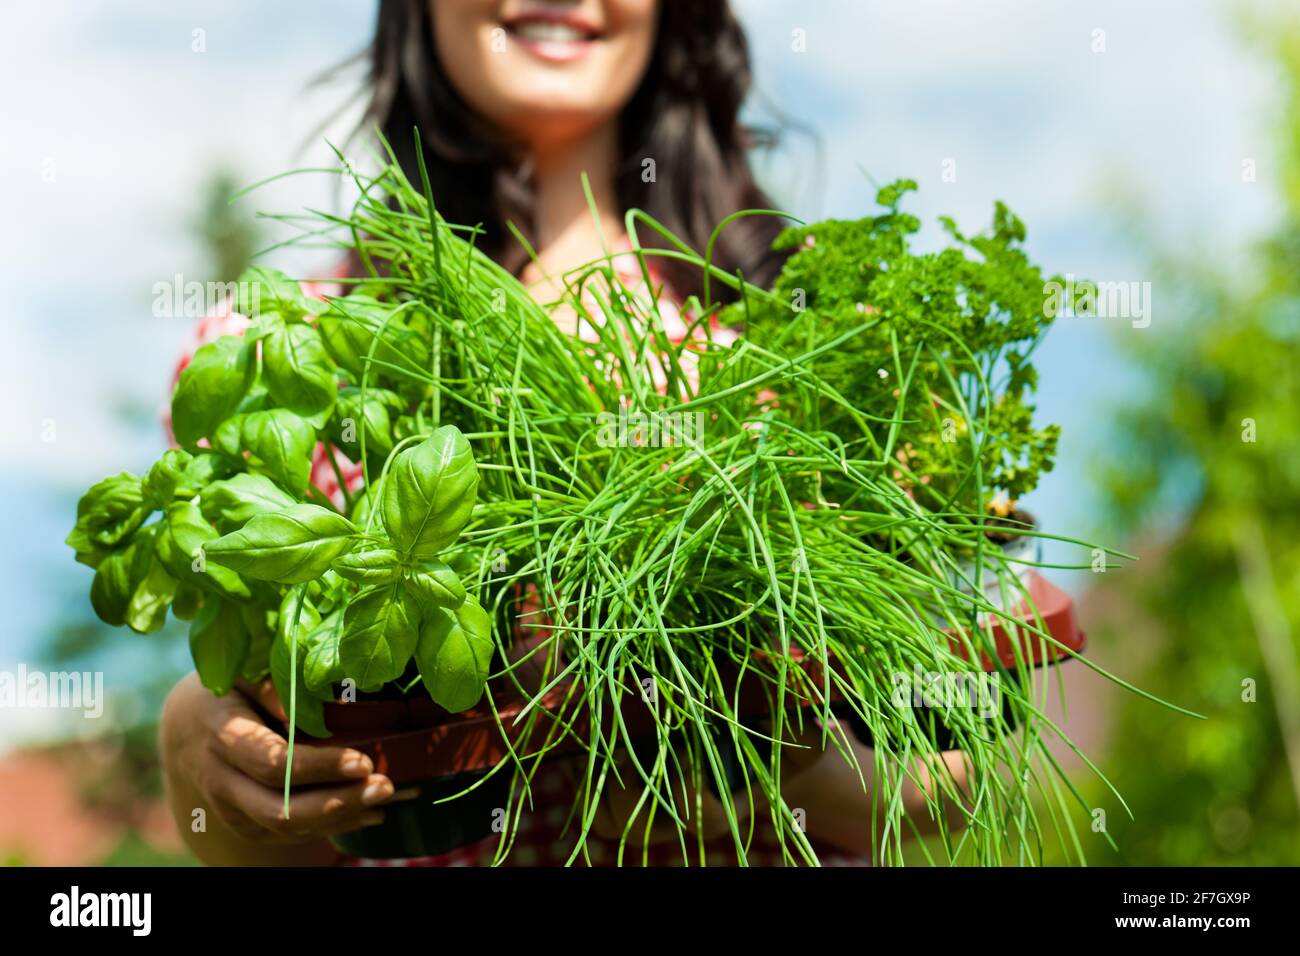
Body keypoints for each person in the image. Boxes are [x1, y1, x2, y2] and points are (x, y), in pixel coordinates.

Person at [160, 0, 969, 867]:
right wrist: (189, 743)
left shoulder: (819, 342)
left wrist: (803, 785)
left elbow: (962, 751)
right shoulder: (284, 353)